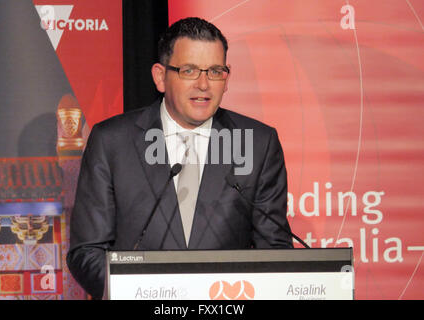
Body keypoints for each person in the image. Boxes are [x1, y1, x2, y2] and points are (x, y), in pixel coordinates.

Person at [67, 17, 293, 300]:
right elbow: (87, 252)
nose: (203, 84)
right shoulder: (112, 141)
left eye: (215, 71)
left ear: (227, 78)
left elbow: (274, 250)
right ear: (161, 77)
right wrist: (143, 295)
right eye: (189, 71)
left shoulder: (258, 143)